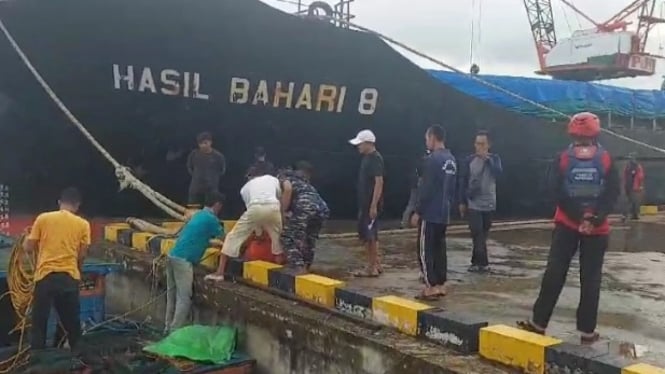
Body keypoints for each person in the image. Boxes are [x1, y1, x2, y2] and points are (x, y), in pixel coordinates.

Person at [517, 112, 620, 344]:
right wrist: (594, 218)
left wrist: (578, 217)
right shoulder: (606, 159)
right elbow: (613, 193)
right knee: (591, 279)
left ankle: (539, 323)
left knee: (554, 272)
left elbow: (556, 192)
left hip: (567, 224)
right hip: (597, 228)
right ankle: (587, 332)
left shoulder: (563, 158)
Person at [26, 187, 91, 352]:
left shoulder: (43, 219)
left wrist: (26, 238)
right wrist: (78, 273)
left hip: (45, 277)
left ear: (59, 203)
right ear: (77, 205)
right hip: (69, 277)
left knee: (39, 322)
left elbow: (28, 247)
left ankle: (37, 360)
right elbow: (82, 255)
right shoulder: (83, 224)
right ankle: (76, 358)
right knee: (71, 323)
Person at [206, 165, 283, 281]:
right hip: (274, 207)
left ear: (250, 176)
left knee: (232, 237)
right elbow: (278, 197)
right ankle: (281, 274)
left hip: (255, 207)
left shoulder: (245, 188)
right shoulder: (273, 179)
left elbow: (251, 210)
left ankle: (219, 272)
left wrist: (258, 232)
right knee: (278, 241)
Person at [164, 192, 225, 333]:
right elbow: (225, 238)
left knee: (171, 295)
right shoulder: (211, 219)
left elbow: (196, 236)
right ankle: (174, 332)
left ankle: (167, 328)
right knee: (184, 298)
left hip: (172, 255)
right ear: (217, 205)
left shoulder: (197, 215)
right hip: (183, 261)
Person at [410, 125, 457, 300]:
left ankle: (430, 286)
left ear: (433, 137)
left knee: (425, 249)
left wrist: (418, 211)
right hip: (444, 211)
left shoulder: (432, 160)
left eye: (427, 138)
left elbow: (426, 188)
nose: (426, 142)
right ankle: (440, 283)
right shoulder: (451, 160)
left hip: (430, 212)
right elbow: (452, 188)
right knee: (439, 248)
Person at [458, 130, 503, 273]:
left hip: (489, 204)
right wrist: (462, 202)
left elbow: (499, 173)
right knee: (477, 233)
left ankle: (475, 262)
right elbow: (463, 181)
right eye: (477, 144)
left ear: (489, 145)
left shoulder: (495, 159)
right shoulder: (469, 161)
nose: (479, 147)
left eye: (482, 144)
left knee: (482, 235)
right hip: (474, 204)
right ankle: (483, 264)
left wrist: (488, 160)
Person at [279, 161, 330, 272]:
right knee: (309, 238)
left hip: (305, 205)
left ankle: (298, 266)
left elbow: (287, 189)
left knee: (287, 237)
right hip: (321, 207)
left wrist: (282, 211)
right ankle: (306, 265)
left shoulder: (284, 177)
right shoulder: (303, 180)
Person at [349, 129, 384, 277]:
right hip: (365, 203)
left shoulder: (375, 159)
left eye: (360, 144)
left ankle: (372, 267)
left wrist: (373, 205)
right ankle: (376, 263)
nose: (358, 147)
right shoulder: (367, 158)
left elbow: (379, 181)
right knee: (369, 235)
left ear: (368, 143)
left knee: (370, 236)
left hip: (370, 204)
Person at [187, 132, 226, 207]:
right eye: (200, 144)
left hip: (212, 189)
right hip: (196, 188)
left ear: (210, 142)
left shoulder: (218, 156)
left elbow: (222, 170)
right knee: (193, 209)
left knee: (210, 210)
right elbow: (189, 168)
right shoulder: (194, 154)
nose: (203, 145)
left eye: (205, 143)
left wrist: (212, 178)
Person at [401, 152, 429, 229]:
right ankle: (406, 223)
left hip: (417, 183)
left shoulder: (421, 161)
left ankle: (405, 223)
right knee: (415, 204)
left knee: (412, 203)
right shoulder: (425, 161)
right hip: (420, 183)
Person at [623, 152, 644, 221]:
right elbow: (640, 176)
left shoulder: (628, 166)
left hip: (629, 185)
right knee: (632, 201)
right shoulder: (636, 166)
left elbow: (625, 176)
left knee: (632, 201)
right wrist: (640, 185)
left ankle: (633, 215)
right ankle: (627, 215)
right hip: (633, 186)